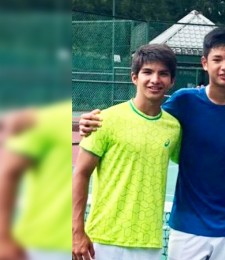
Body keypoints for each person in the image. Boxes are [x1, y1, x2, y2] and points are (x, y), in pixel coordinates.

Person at [79, 27, 225, 260]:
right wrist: (90, 122)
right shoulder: (184, 100)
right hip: (185, 226)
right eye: (217, 59)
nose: (224, 66)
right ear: (205, 63)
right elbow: (147, 117)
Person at [72, 44, 181, 260]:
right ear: (134, 77)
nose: (155, 80)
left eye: (163, 74)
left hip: (148, 244)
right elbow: (81, 174)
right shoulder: (102, 120)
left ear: (172, 81)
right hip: (102, 240)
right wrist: (76, 232)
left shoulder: (174, 128)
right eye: (147, 72)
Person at [0, 101, 72, 260]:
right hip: (44, 246)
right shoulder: (47, 119)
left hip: (81, 242)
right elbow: (8, 172)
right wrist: (3, 237)